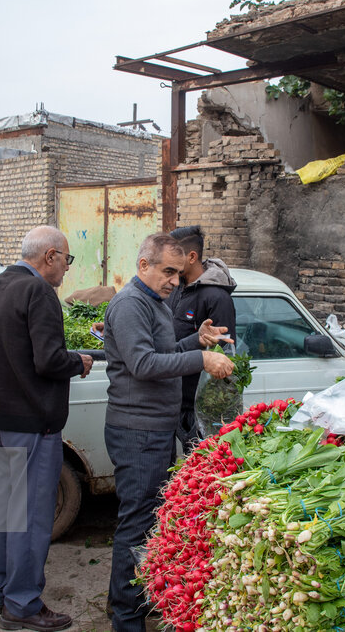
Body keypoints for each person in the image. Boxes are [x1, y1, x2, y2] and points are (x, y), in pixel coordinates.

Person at [103, 233, 234, 632]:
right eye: (168, 271)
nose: (175, 281)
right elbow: (143, 364)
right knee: (137, 523)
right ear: (144, 265)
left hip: (154, 428)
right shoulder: (129, 305)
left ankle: (125, 602)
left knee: (146, 519)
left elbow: (163, 353)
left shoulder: (154, 303)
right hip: (137, 430)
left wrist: (197, 340)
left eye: (178, 273)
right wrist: (201, 357)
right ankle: (127, 617)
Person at [0, 225, 93, 632]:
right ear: (51, 256)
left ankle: (3, 590)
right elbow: (48, 360)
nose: (65, 270)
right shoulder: (38, 292)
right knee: (32, 515)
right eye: (67, 260)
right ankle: (22, 605)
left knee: (6, 508)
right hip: (32, 423)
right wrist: (78, 362)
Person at [165, 225, 237, 451]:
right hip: (170, 399)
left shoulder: (216, 297)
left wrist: (211, 415)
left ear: (192, 257)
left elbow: (224, 359)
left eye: (173, 255)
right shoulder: (175, 288)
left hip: (195, 409)